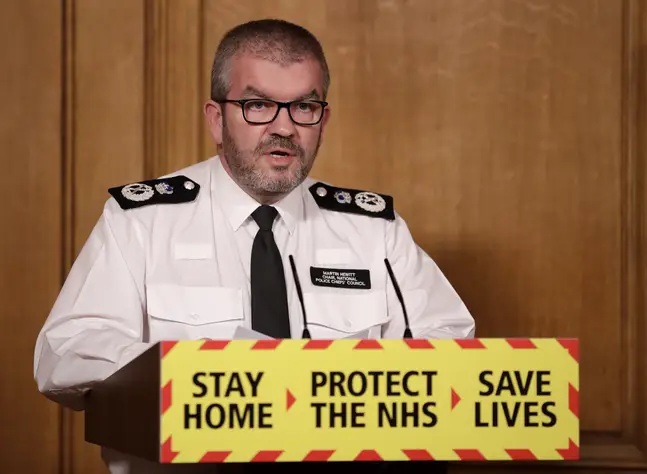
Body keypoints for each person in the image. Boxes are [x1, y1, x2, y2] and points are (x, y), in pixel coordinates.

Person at [34, 18, 474, 474]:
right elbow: (65, 351)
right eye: (258, 105)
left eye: (304, 107)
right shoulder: (141, 221)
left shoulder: (374, 230)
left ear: (323, 119)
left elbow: (450, 350)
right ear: (216, 119)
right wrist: (193, 374)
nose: (283, 127)